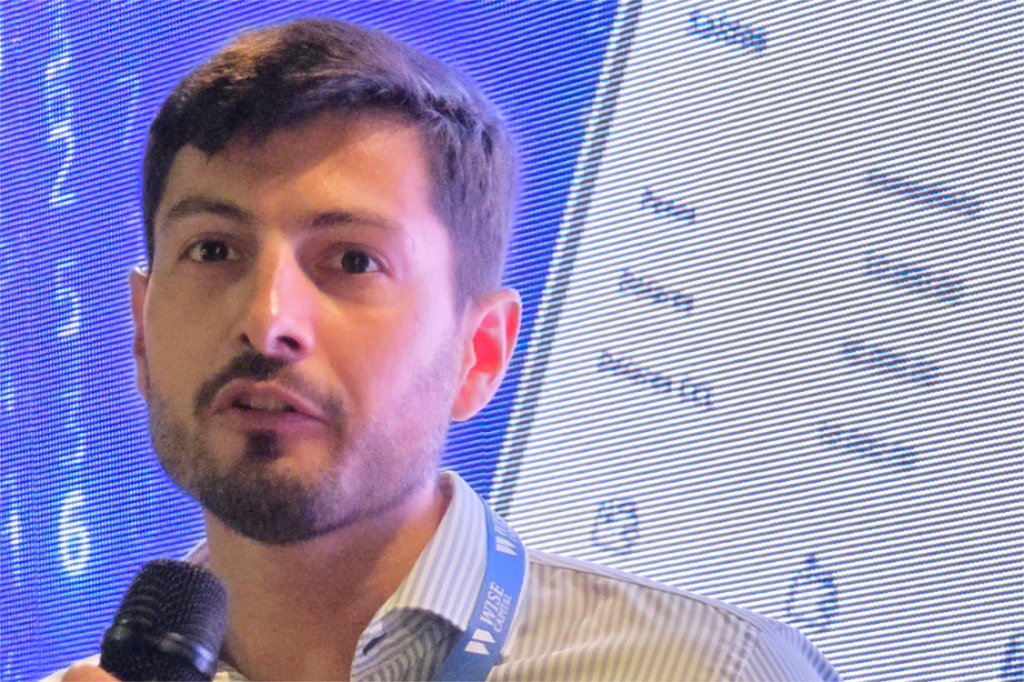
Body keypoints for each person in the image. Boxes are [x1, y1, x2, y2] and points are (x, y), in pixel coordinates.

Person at [52, 18, 839, 681]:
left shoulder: (707, 670)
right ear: (141, 330)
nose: (268, 321)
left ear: (479, 352)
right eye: (213, 250)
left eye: (353, 260)